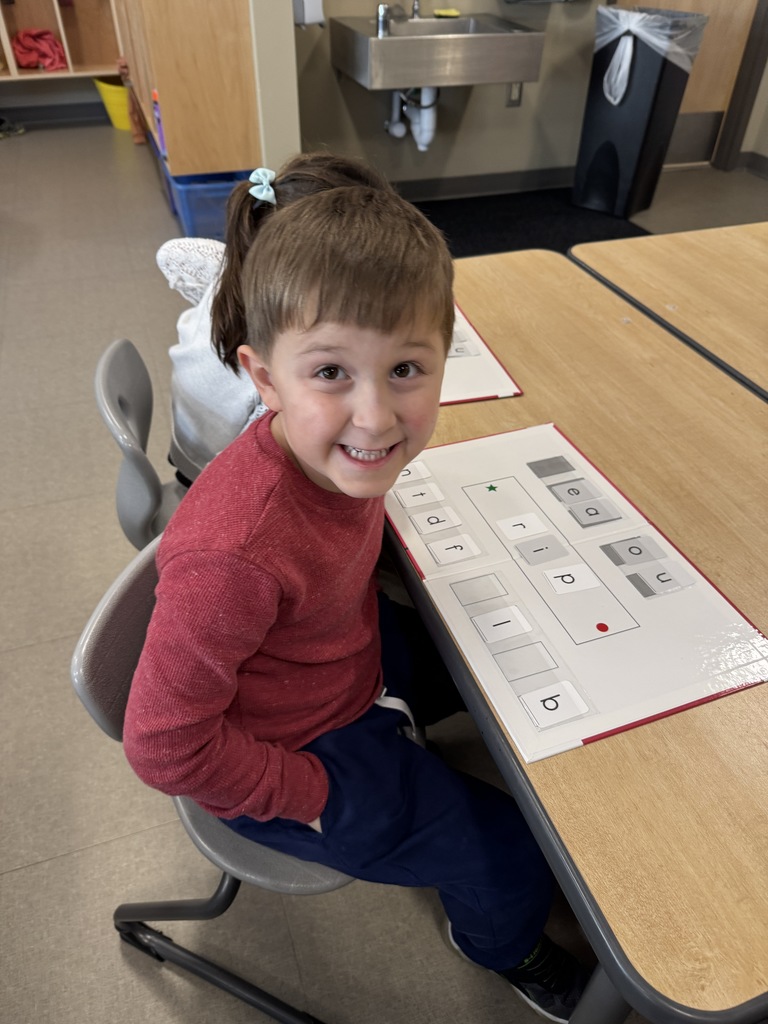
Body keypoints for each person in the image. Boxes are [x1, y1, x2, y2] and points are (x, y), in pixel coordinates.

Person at [123, 162, 591, 1022]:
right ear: (262, 379)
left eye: (407, 369)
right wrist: (313, 795)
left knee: (509, 662)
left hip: (333, 663)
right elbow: (162, 748)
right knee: (511, 850)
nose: (376, 418)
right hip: (298, 754)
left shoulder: (326, 462)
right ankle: (504, 944)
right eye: (332, 373)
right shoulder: (236, 552)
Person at [157, 153, 395, 482]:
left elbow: (170, 254)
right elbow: (309, 461)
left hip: (183, 444)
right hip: (211, 476)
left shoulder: (239, 265)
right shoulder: (273, 383)